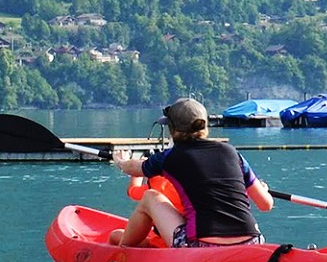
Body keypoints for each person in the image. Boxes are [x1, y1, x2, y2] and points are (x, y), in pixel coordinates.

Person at [108, 98, 275, 247]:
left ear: (172, 129)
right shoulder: (232, 153)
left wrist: (120, 161)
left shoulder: (170, 157)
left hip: (200, 245)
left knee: (149, 197)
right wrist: (263, 190)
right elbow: (265, 205)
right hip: (252, 242)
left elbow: (133, 168)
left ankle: (125, 251)